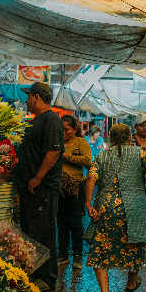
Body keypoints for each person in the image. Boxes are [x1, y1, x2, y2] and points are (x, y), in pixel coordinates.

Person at [84, 124, 146, 292]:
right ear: (130, 138)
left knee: (100, 251)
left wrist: (88, 204)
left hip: (106, 208)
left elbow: (91, 179)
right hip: (135, 208)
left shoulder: (102, 156)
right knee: (136, 246)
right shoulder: (141, 153)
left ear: (110, 139)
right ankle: (130, 283)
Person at [13, 82, 64, 291]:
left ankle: (47, 277)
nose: (26, 101)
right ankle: (34, 272)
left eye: (29, 97)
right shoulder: (37, 120)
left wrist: (37, 178)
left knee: (43, 231)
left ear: (37, 97)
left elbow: (53, 152)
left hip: (42, 188)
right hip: (30, 188)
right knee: (31, 231)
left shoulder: (50, 119)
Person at [57, 115, 92, 269]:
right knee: (61, 222)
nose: (64, 132)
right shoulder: (56, 142)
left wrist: (67, 157)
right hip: (58, 188)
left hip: (76, 187)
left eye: (67, 129)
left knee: (75, 222)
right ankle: (63, 254)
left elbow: (87, 160)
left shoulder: (80, 142)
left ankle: (77, 255)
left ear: (75, 130)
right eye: (61, 129)